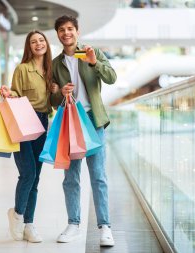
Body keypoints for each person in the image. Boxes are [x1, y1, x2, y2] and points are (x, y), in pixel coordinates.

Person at [50, 15, 117, 247]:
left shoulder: (92, 52)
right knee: (71, 177)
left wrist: (93, 62)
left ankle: (105, 227)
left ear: (77, 31)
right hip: (71, 122)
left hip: (93, 121)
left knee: (98, 176)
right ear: (58, 34)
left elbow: (111, 78)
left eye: (70, 29)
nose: (66, 33)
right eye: (61, 30)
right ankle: (73, 224)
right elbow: (52, 98)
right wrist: (61, 93)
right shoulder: (55, 63)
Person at [1, 30, 52, 243]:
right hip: (23, 120)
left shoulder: (51, 71)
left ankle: (29, 225)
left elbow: (55, 99)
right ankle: (18, 215)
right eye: (33, 42)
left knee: (36, 177)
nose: (38, 44)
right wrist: (8, 93)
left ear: (47, 44)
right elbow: (15, 93)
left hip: (42, 122)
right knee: (28, 173)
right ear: (28, 47)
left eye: (41, 40)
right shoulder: (22, 69)